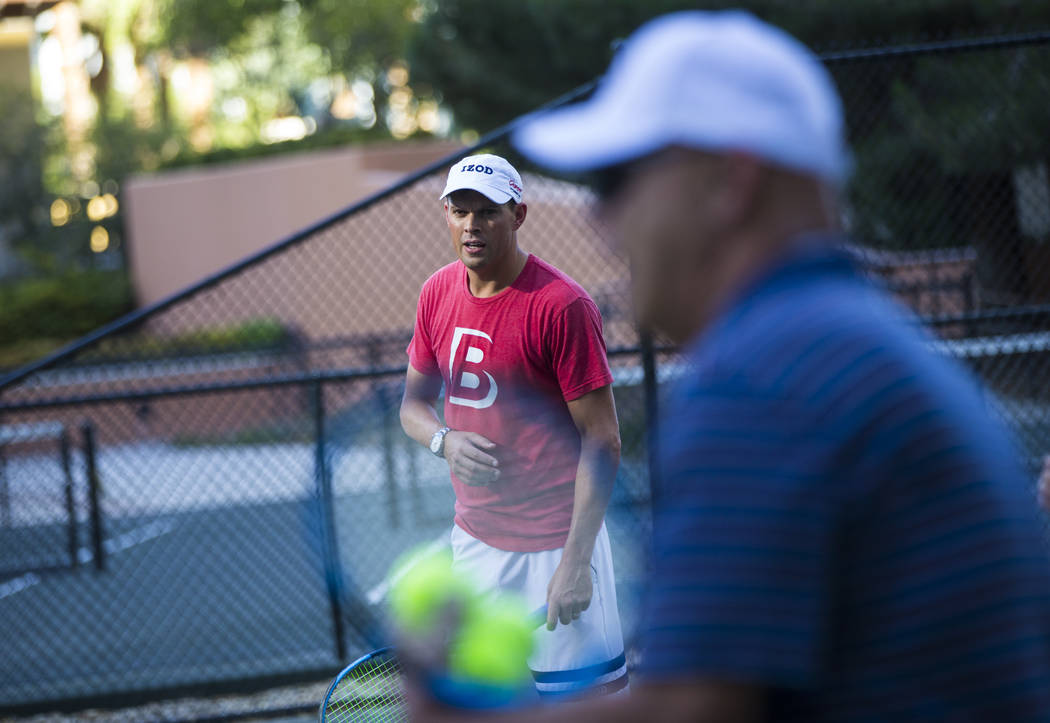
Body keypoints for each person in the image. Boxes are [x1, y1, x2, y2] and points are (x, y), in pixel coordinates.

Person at [407, 10, 1050, 722]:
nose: (602, 219)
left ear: (730, 183)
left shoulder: (763, 378)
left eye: (619, 178)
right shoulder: (840, 339)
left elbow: (693, 710)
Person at [399, 152, 629, 698]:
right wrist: (443, 440)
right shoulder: (436, 292)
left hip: (559, 546)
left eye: (488, 212)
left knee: (583, 708)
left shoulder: (562, 306)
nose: (471, 225)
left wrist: (576, 564)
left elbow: (604, 440)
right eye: (460, 211)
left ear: (518, 215)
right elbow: (412, 407)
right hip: (477, 544)